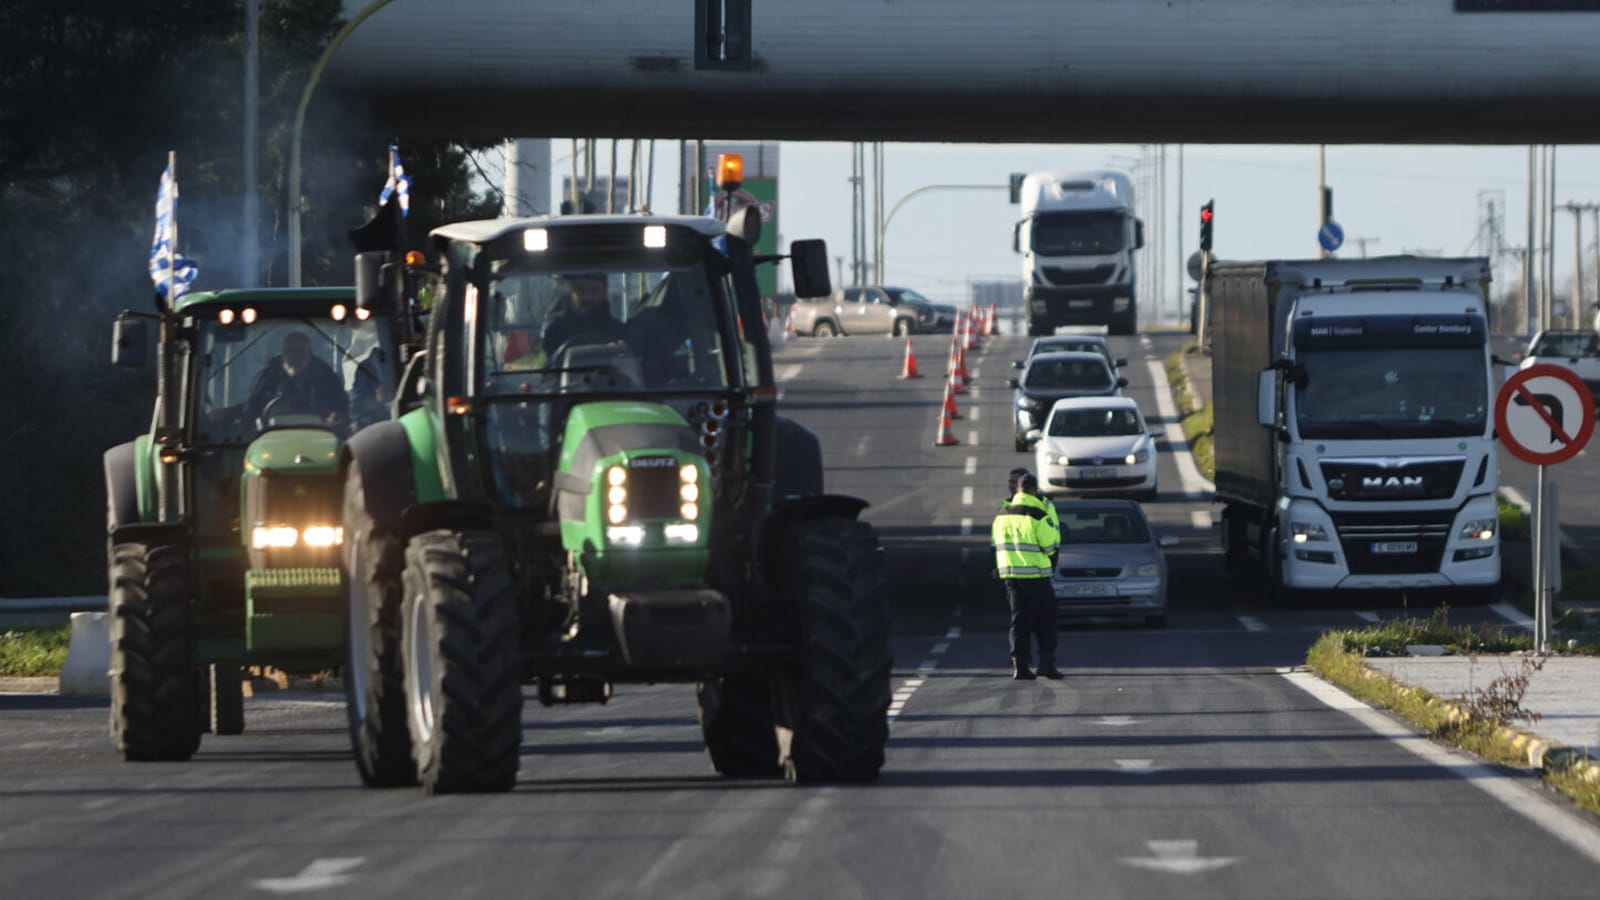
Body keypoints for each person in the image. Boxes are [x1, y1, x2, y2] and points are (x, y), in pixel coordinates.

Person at [992, 472, 1062, 681]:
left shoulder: (1002, 515)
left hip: (1010, 575)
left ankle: (1019, 664)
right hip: (1036, 574)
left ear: (1018, 490)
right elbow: (1050, 546)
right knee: (1047, 618)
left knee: (1019, 619)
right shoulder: (1038, 515)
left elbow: (996, 544)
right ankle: (1046, 663)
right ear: (1034, 490)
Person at [244, 330, 346, 428]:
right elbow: (250, 412)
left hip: (320, 436)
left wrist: (334, 418)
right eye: (288, 350)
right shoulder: (267, 378)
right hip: (270, 437)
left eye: (300, 351)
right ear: (282, 353)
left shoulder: (327, 378)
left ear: (309, 354)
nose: (293, 356)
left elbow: (342, 411)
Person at [541, 272, 627, 358]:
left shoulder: (619, 333)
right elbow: (553, 367)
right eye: (581, 289)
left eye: (594, 290)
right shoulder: (555, 332)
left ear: (604, 292)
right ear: (572, 292)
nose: (587, 297)